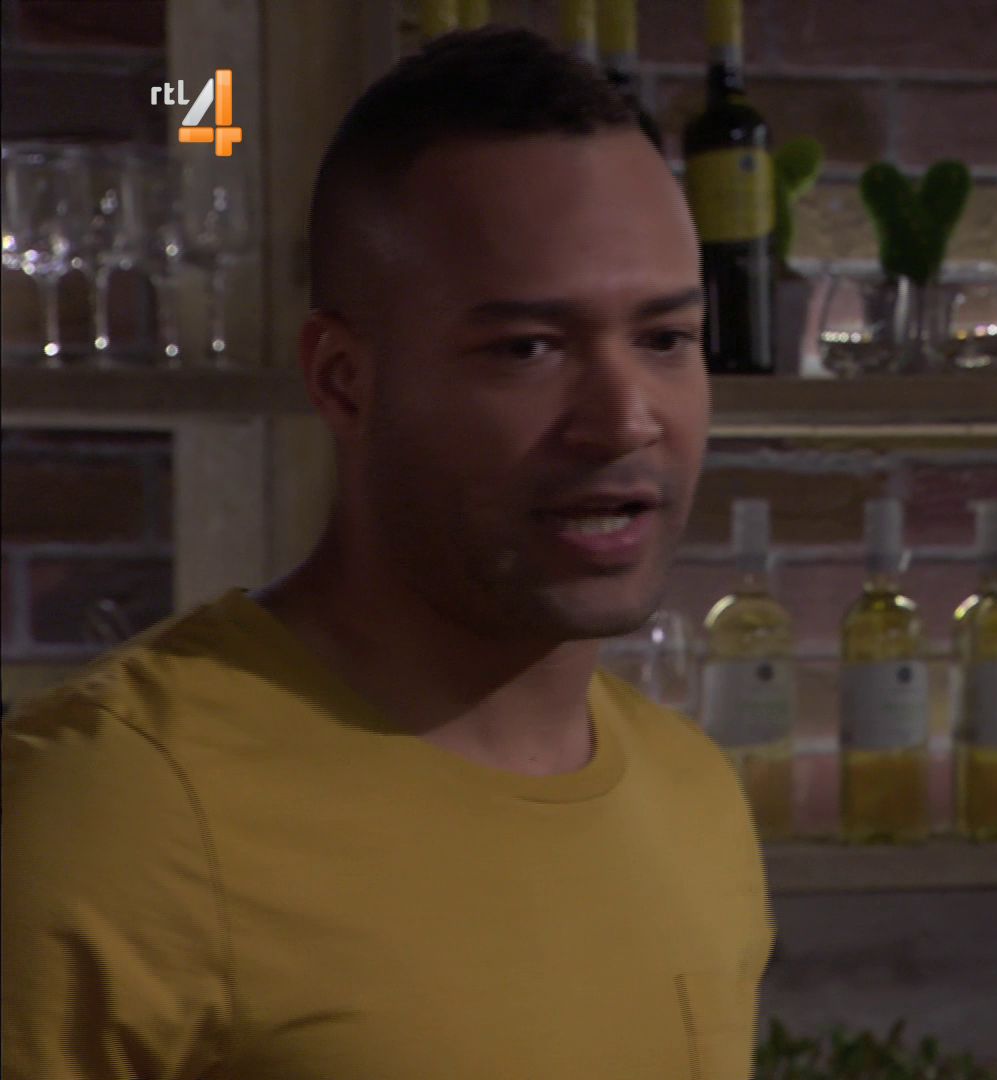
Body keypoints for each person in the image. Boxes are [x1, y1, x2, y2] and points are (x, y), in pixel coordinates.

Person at [2, 28, 771, 1079]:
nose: (625, 419)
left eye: (664, 339)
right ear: (344, 379)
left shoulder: (695, 799)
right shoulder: (112, 811)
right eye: (527, 348)